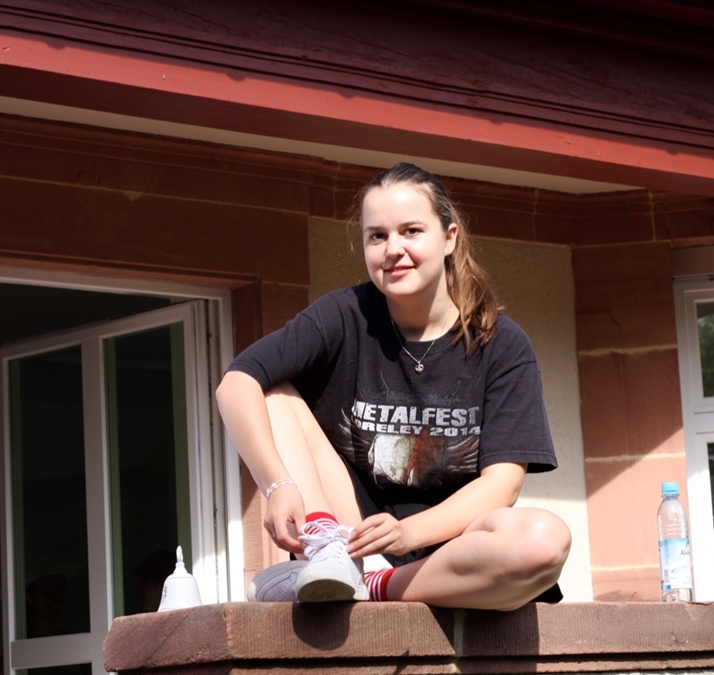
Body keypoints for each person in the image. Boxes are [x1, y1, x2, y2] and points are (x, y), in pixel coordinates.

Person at [215, 162, 571, 611]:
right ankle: (331, 556)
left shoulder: (500, 343)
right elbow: (236, 383)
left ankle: (377, 586)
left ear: (449, 238)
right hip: (353, 537)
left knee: (544, 539)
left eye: (411, 231)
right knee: (272, 391)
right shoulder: (342, 315)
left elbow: (502, 486)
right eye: (377, 236)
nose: (393, 250)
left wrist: (407, 533)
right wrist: (277, 485)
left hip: (453, 549)